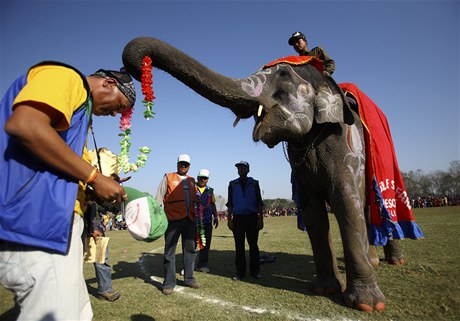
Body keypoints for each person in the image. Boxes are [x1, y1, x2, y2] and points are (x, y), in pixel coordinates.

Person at [0, 62, 134, 320]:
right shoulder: (68, 77)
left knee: (79, 313)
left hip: (53, 226)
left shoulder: (79, 117)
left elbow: (68, 170)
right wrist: (94, 177)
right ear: (109, 83)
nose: (115, 114)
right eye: (118, 106)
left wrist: (95, 188)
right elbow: (26, 124)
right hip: (37, 222)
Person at [155, 154, 201, 295]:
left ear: (189, 166)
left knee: (190, 250)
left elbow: (196, 198)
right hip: (172, 220)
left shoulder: (193, 181)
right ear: (177, 164)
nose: (183, 166)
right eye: (181, 164)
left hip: (189, 220)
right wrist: (158, 216)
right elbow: (158, 197)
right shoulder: (168, 177)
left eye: (186, 164)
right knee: (170, 251)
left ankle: (189, 278)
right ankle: (169, 282)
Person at [226, 161, 264, 281]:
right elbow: (230, 204)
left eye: (243, 167)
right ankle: (240, 272)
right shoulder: (232, 184)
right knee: (239, 246)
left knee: (253, 246)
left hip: (252, 218)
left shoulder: (254, 183)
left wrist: (260, 218)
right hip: (238, 219)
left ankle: (255, 271)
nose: (240, 169)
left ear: (248, 170)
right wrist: (229, 219)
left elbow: (259, 202)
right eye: (239, 168)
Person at [85, 199, 121, 302]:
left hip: (95, 225)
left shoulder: (93, 190)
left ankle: (105, 290)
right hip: (78, 222)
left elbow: (101, 203)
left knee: (101, 259)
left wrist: (114, 207)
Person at [195, 169, 219, 273]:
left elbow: (213, 204)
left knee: (205, 244)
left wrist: (216, 217)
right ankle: (188, 266)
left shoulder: (210, 190)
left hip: (207, 221)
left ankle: (202, 265)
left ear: (208, 180)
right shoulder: (192, 188)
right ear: (197, 177)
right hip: (194, 221)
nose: (202, 180)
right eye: (201, 178)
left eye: (205, 178)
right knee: (192, 244)